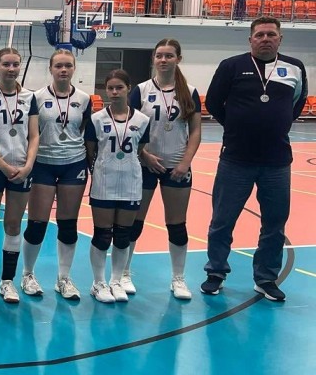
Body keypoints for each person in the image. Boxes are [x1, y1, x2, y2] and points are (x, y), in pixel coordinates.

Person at [202, 17, 307, 301]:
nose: (265, 39)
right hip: (236, 158)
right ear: (250, 39)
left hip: (277, 161)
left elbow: (297, 102)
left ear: (280, 39)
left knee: (275, 223)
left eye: (271, 34)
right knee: (222, 220)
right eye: (259, 35)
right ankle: (215, 272)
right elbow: (213, 102)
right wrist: (235, 126)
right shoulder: (231, 66)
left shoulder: (295, 67)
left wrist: (277, 123)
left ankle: (266, 278)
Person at [127, 39, 201, 300]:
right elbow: (128, 127)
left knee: (177, 224)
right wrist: (144, 155)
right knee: (133, 223)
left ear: (178, 59)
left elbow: (195, 132)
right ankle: (123, 273)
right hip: (145, 165)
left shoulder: (189, 92)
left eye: (169, 55)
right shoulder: (141, 90)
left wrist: (185, 163)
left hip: (176, 166)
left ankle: (178, 278)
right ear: (154, 59)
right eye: (159, 55)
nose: (163, 60)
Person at [19, 49, 91, 300]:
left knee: (68, 224)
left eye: (68, 66)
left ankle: (64, 278)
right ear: (50, 68)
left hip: (73, 163)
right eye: (58, 65)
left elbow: (83, 130)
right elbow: (31, 132)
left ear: (74, 69)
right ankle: (28, 274)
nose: (63, 70)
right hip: (43, 164)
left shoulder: (84, 99)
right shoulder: (36, 97)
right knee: (37, 224)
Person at [0, 47, 39, 305]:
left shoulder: (30, 97)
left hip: (22, 168)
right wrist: (1, 164)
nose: (11, 69)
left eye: (15, 64)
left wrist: (29, 165)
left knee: (13, 224)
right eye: (6, 64)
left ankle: (7, 281)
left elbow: (34, 135)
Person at [84, 69, 151, 303]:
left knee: (123, 236)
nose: (114, 92)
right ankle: (98, 283)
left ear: (128, 89)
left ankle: (116, 280)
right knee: (102, 235)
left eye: (119, 87)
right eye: (110, 88)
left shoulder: (142, 120)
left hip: (131, 183)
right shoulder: (96, 119)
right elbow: (90, 151)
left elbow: (140, 150)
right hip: (104, 183)